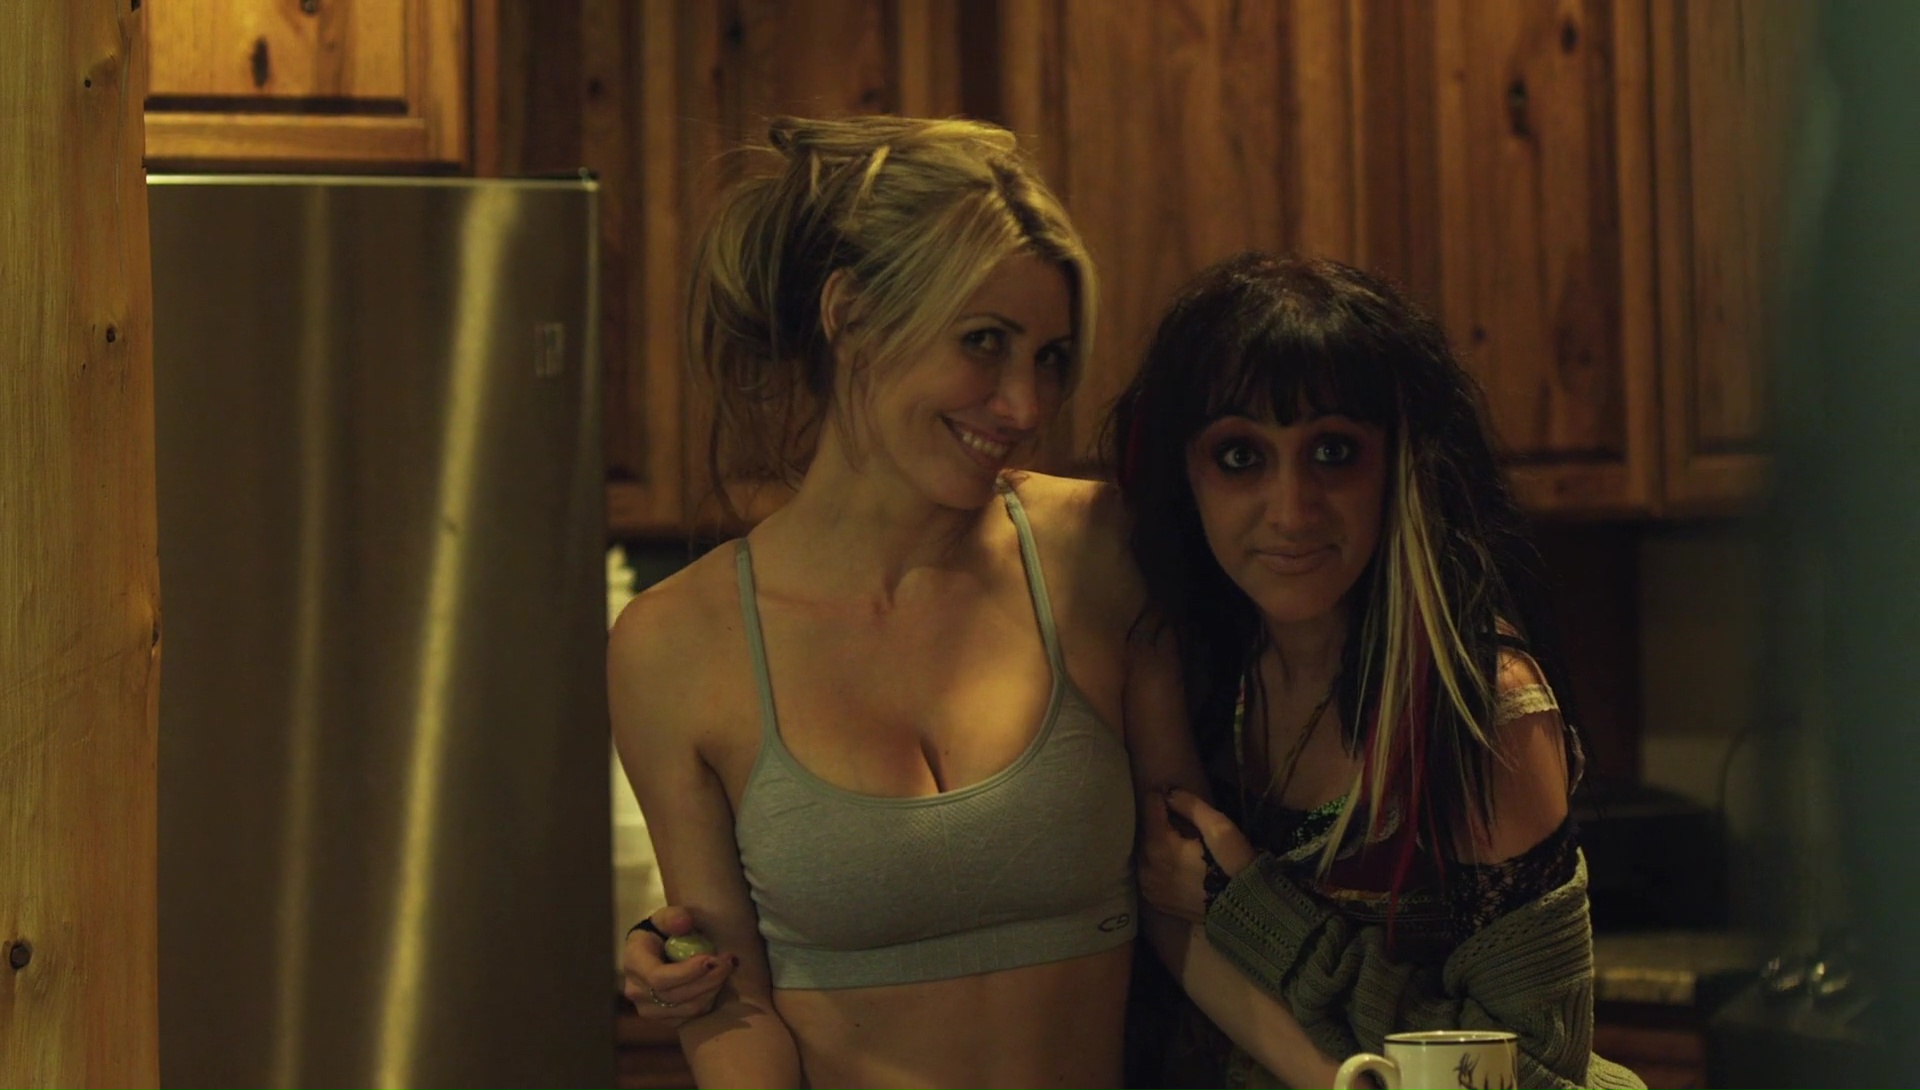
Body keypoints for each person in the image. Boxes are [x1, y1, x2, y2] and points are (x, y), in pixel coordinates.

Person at [607, 114, 1149, 1089]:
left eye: (1051, 357)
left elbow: (1215, 869)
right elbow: (728, 1004)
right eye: (984, 343)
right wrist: (675, 965)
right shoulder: (673, 643)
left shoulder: (1098, 552)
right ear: (851, 318)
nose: (1026, 406)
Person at [1111, 251, 1645, 1090]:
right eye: (1240, 457)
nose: (1292, 512)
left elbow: (1526, 1076)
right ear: (1187, 474)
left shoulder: (1481, 710)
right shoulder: (1196, 670)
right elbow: (1172, 919)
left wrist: (1251, 909)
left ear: (1399, 464)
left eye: (1332, 452)